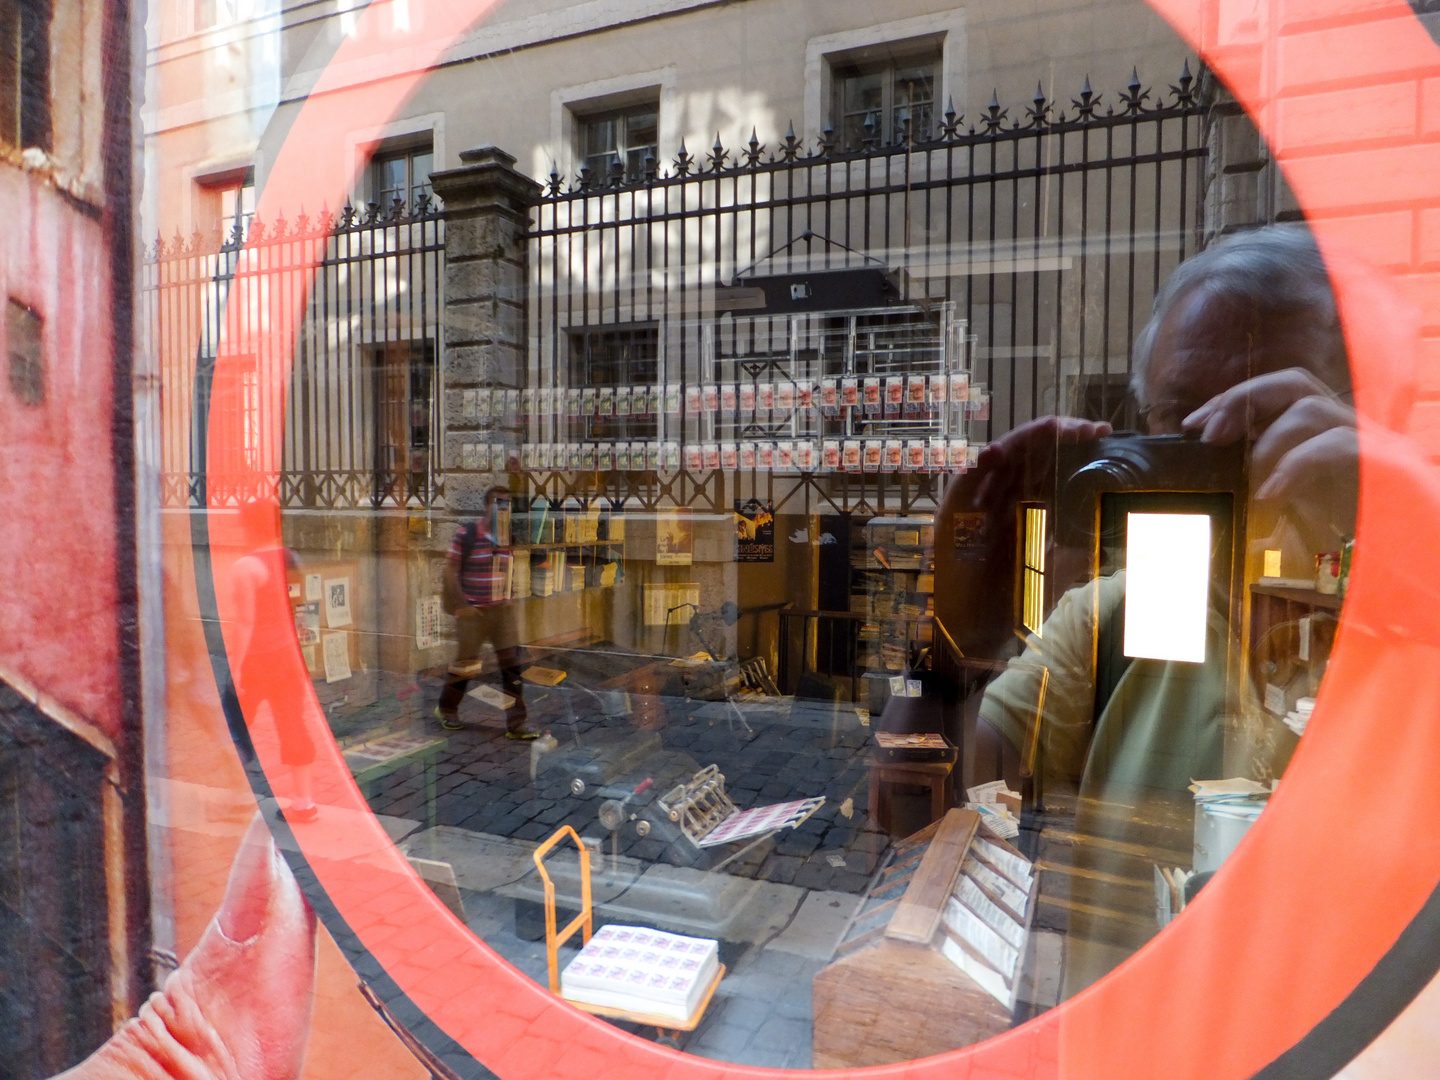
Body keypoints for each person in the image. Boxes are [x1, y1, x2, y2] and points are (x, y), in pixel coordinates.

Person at [943, 224, 1359, 798]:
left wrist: (1396, 540)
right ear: (1147, 423)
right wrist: (955, 639)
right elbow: (924, 802)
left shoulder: (1407, 599)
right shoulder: (1124, 612)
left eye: (1269, 412)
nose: (1224, 445)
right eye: (1185, 418)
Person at [436, 486, 536, 738]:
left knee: (511, 667)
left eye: (507, 504)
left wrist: (508, 598)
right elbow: (449, 570)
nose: (503, 508)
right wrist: (462, 605)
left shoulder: (507, 537)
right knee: (466, 666)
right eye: (498, 502)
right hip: (473, 613)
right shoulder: (466, 534)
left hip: (500, 613)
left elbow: (507, 569)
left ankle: (516, 724)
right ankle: (447, 709)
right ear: (486, 506)